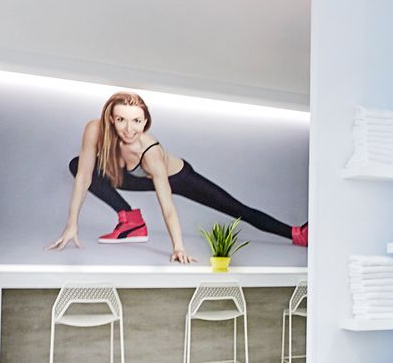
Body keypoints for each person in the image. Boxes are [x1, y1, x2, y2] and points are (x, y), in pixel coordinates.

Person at [48, 90, 307, 264]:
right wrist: (72, 224)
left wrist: (178, 247)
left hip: (179, 178)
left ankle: (295, 233)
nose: (129, 129)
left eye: (137, 121)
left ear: (146, 121)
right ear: (111, 119)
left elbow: (167, 206)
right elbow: (83, 177)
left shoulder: (149, 151)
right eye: (121, 120)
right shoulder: (95, 129)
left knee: (237, 209)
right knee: (77, 163)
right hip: (134, 179)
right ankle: (130, 221)